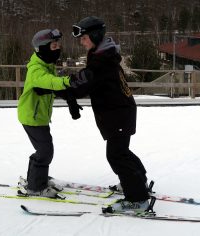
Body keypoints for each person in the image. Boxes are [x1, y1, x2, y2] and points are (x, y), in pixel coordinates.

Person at [71, 16, 151, 211]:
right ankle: (137, 182)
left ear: (95, 36)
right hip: (120, 112)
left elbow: (82, 84)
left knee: (116, 155)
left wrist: (58, 91)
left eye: (84, 38)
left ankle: (137, 199)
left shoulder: (101, 60)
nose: (82, 42)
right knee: (121, 152)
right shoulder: (102, 53)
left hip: (118, 113)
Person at [17, 29, 81, 198]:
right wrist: (69, 81)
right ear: (43, 48)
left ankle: (36, 178)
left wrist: (69, 98)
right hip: (32, 117)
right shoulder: (36, 69)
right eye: (54, 45)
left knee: (43, 149)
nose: (58, 48)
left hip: (39, 117)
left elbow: (49, 89)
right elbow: (50, 82)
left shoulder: (47, 65)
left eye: (58, 45)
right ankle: (36, 186)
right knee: (45, 151)